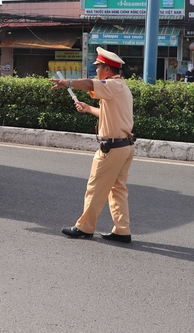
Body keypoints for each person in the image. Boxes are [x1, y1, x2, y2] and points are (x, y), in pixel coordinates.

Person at [50, 47, 135, 244]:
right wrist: (89, 109)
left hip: (112, 148)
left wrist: (67, 82)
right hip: (125, 146)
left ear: (106, 69)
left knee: (95, 187)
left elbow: (90, 83)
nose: (95, 70)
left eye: (98, 67)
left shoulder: (110, 85)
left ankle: (84, 227)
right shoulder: (121, 87)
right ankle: (122, 230)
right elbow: (110, 114)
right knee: (118, 189)